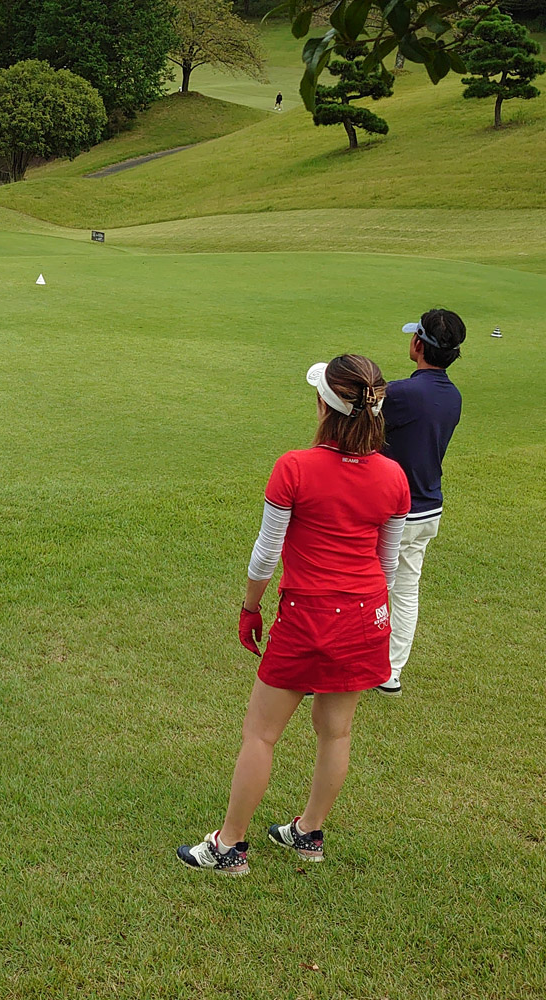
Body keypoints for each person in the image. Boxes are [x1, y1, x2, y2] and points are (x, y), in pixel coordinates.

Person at [177, 355, 409, 876]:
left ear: (324, 405)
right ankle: (308, 832)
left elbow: (266, 553)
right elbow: (386, 563)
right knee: (336, 731)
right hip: (364, 615)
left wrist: (249, 606)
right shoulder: (394, 476)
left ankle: (228, 845)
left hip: (307, 615)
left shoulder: (295, 467)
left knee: (261, 733)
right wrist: (370, 613)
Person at [374, 309, 465, 697]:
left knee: (364, 588)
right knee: (406, 589)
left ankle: (340, 665)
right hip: (430, 508)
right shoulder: (453, 396)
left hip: (395, 512)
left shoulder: (401, 394)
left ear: (418, 344)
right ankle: (390, 673)